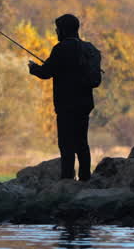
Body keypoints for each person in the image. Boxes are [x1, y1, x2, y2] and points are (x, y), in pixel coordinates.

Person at [28, 13, 95, 181]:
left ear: (64, 30)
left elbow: (46, 72)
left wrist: (33, 68)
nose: (56, 32)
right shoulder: (89, 49)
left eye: (57, 29)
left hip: (66, 105)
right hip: (84, 105)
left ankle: (67, 180)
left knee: (66, 144)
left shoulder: (60, 49)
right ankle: (85, 179)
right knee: (82, 143)